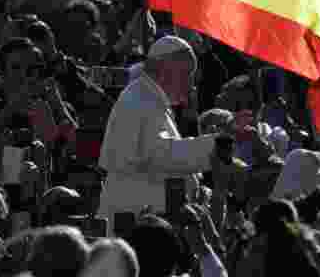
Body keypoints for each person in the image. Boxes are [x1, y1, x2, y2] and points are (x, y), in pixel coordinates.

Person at [97, 36, 250, 233]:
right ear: (163, 70)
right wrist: (219, 142)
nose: (191, 85)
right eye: (186, 74)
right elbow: (161, 154)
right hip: (136, 219)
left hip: (146, 215)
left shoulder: (150, 99)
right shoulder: (141, 100)